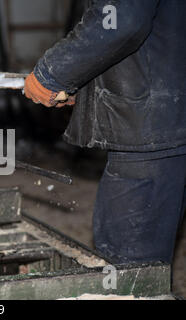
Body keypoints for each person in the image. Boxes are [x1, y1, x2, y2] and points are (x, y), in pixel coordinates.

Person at [24, 0, 186, 264]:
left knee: (128, 270)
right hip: (168, 115)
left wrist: (52, 74)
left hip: (147, 127)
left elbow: (119, 22)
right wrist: (83, 88)